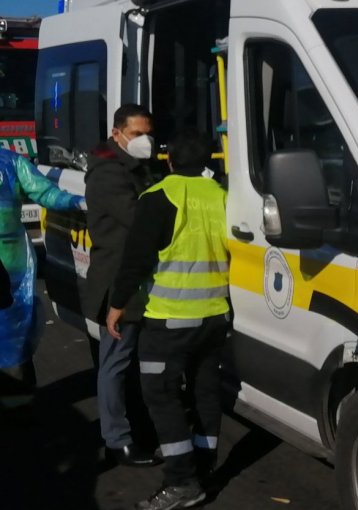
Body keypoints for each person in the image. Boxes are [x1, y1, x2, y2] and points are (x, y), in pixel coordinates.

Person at [107, 128, 229, 510]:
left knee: (161, 396)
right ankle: (202, 465)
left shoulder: (158, 198)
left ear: (170, 161)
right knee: (206, 392)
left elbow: (136, 259)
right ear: (209, 160)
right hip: (215, 316)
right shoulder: (223, 197)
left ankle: (182, 482)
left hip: (169, 318)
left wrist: (117, 304)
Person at [83, 103, 161, 467]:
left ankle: (139, 428)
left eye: (148, 133)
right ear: (117, 134)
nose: (145, 141)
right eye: (137, 135)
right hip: (118, 279)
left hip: (137, 278)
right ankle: (116, 439)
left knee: (132, 363)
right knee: (114, 364)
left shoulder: (136, 166)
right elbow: (138, 219)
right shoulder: (108, 173)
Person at [0, 148, 85, 409]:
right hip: (11, 262)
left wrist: (77, 202)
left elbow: (44, 193)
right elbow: (44, 192)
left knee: (13, 338)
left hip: (10, 265)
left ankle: (17, 405)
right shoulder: (10, 162)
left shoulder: (10, 162)